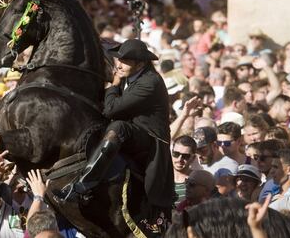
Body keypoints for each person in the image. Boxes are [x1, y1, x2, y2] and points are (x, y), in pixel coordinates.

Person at [54, 39, 173, 213]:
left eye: (125, 61)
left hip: (150, 139)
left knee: (118, 127)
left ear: (140, 64)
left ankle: (83, 185)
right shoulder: (129, 75)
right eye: (119, 59)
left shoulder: (150, 82)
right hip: (134, 131)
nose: (119, 64)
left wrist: (114, 86)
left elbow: (110, 110)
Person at [171, 135, 196, 207]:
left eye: (185, 156)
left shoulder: (197, 180)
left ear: (193, 158)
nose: (179, 159)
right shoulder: (162, 177)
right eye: (176, 154)